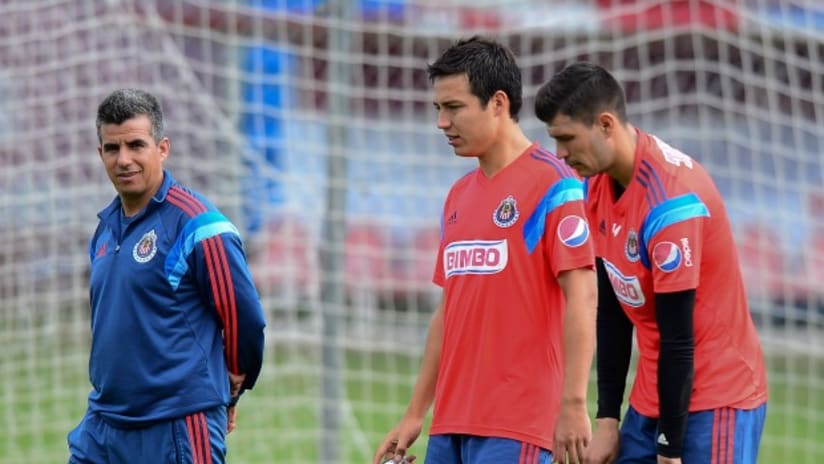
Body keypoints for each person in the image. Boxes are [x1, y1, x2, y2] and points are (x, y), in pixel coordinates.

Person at [373, 37, 597, 464]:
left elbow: (583, 296)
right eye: (438, 109)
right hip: (450, 424)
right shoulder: (457, 196)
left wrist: (573, 403)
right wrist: (415, 413)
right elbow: (449, 310)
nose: (442, 122)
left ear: (497, 103)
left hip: (519, 425)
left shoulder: (554, 185)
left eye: (453, 107)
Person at [534, 62, 768, 464]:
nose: (561, 154)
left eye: (567, 138)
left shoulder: (671, 204)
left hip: (716, 396)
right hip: (654, 392)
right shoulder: (594, 185)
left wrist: (669, 450)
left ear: (606, 124)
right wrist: (607, 415)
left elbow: (680, 338)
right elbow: (611, 309)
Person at [67, 89, 267, 463]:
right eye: (112, 149)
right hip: (104, 423)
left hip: (177, 424)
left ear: (162, 149)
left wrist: (232, 388)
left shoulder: (200, 226)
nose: (123, 159)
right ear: (100, 155)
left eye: (136, 145)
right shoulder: (105, 230)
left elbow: (245, 319)